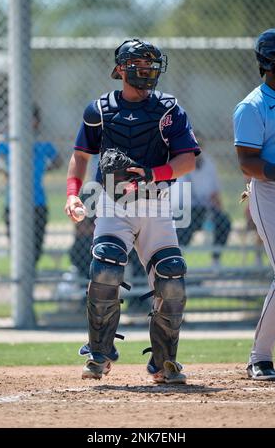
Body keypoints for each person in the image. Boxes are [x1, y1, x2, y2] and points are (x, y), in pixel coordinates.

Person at [64, 38, 200, 383]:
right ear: (122, 68)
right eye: (141, 64)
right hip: (114, 204)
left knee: (171, 278)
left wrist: (153, 173)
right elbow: (81, 155)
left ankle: (163, 361)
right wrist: (72, 195)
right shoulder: (100, 110)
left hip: (156, 202)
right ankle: (99, 353)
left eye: (153, 65)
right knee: (105, 268)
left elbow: (187, 161)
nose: (150, 71)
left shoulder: (168, 110)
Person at [233, 28, 275, 381]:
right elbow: (248, 163)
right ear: (269, 62)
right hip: (272, 194)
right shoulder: (253, 106)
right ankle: (260, 356)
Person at [0, 105, 62, 266]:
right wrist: (4, 171)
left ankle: (28, 277)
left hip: (38, 202)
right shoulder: (11, 140)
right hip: (13, 202)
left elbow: (58, 161)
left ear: (36, 121)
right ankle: (22, 278)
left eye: (31, 118)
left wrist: (41, 170)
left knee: (36, 247)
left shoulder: (41, 142)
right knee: (17, 246)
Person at [173, 138, 231, 268]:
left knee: (224, 222)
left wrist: (219, 210)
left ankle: (216, 259)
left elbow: (215, 193)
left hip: (206, 209)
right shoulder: (180, 163)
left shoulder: (209, 165)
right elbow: (179, 198)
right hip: (186, 208)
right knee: (183, 226)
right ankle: (177, 261)